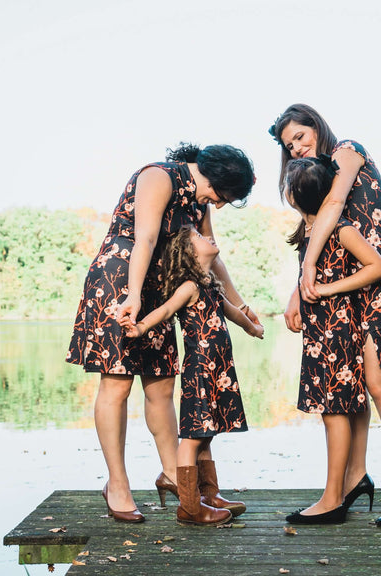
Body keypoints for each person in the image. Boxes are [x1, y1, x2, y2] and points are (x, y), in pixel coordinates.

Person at [66, 143, 261, 523]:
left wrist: (242, 305)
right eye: (223, 196)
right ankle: (117, 484)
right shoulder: (159, 176)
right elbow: (147, 240)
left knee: (162, 386)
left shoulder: (198, 201)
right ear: (213, 177)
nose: (219, 205)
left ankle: (174, 474)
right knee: (117, 384)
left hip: (158, 289)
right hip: (119, 281)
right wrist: (133, 296)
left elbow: (212, 257)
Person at [271, 104, 381, 526]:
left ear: (316, 126)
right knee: (349, 383)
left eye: (301, 136)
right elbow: (313, 233)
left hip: (380, 280)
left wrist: (308, 272)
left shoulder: (347, 151)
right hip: (346, 285)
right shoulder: (313, 178)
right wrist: (300, 289)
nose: (298, 147)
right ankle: (354, 476)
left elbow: (336, 203)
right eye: (289, 145)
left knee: (377, 381)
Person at [121, 225, 263, 526]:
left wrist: (252, 327)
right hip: (200, 370)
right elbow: (165, 310)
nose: (208, 236)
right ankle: (189, 506)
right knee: (192, 437)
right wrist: (142, 327)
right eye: (199, 237)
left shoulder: (210, 284)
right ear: (188, 253)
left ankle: (209, 495)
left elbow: (232, 313)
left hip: (218, 369)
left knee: (207, 433)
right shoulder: (188, 287)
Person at [281, 156, 381, 525]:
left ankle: (332, 499)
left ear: (294, 195)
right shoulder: (310, 232)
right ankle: (345, 487)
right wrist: (297, 296)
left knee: (334, 412)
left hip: (338, 331)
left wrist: (327, 288)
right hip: (319, 331)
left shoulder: (341, 228)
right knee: (332, 410)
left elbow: (378, 267)